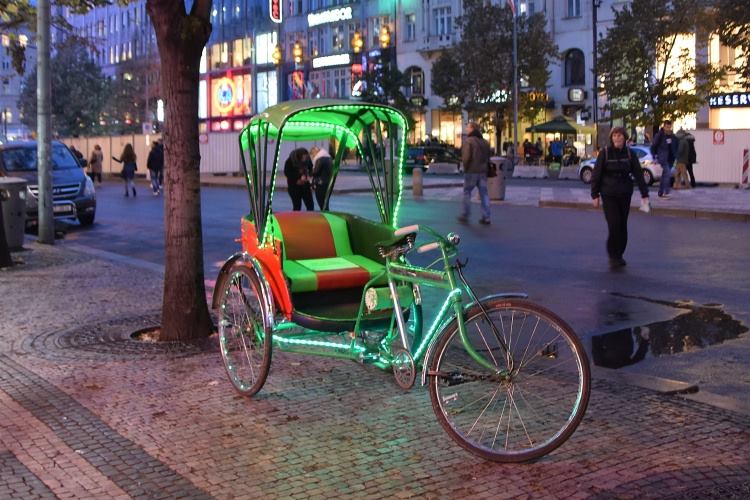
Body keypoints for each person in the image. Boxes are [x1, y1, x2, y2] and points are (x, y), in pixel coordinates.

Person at [591, 126, 650, 269]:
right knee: (614, 224)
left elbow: (638, 174)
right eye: (614, 136)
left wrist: (644, 194)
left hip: (625, 193)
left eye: (619, 135)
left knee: (623, 225)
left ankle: (619, 254)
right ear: (611, 138)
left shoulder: (630, 154)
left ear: (625, 137)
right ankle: (613, 255)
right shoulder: (605, 153)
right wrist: (595, 194)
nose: (617, 138)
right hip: (609, 194)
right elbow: (596, 174)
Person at [457, 121, 492, 225]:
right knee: (484, 194)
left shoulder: (469, 141)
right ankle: (486, 216)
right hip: (483, 171)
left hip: (471, 171)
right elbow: (488, 157)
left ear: (472, 128)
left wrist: (465, 168)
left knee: (467, 192)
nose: (466, 129)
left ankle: (465, 214)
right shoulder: (484, 142)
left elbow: (466, 157)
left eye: (468, 127)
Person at [650, 119, 678, 199]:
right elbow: (653, 146)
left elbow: (675, 145)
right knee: (667, 173)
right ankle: (666, 192)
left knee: (664, 175)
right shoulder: (659, 135)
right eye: (667, 127)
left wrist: (676, 155)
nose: (668, 129)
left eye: (669, 127)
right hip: (663, 158)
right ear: (664, 126)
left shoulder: (672, 136)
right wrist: (654, 157)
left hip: (671, 159)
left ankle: (660, 192)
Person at [309, 146, 332, 210]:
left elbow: (315, 172)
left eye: (312, 154)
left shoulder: (320, 159)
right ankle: (326, 213)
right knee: (325, 203)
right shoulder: (328, 157)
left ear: (315, 152)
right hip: (327, 182)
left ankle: (325, 214)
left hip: (320, 184)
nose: (312, 156)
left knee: (321, 203)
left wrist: (308, 173)